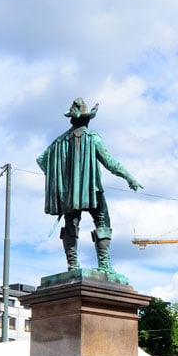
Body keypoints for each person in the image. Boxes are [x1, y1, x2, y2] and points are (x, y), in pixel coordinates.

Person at [37, 98, 142, 274]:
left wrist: (59, 179)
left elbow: (41, 160)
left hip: (69, 192)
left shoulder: (58, 142)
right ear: (86, 119)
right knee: (102, 221)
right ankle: (104, 265)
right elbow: (110, 162)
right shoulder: (92, 138)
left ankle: (72, 264)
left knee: (71, 223)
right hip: (91, 190)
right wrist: (129, 177)